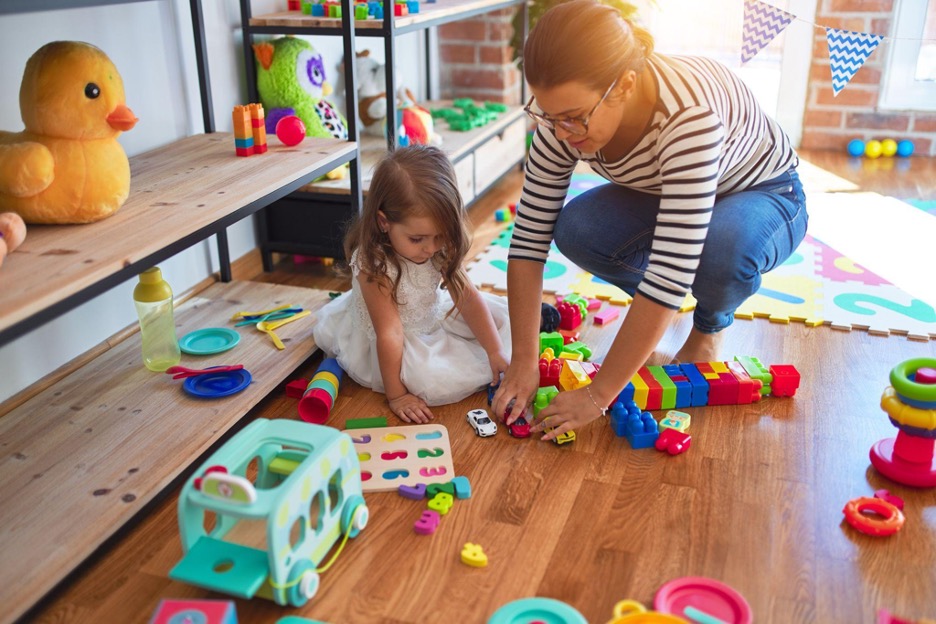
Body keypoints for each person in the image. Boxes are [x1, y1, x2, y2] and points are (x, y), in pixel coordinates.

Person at [492, 0, 807, 441]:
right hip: (666, 190)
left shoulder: (688, 118)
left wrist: (598, 395)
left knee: (720, 249)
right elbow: (528, 241)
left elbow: (669, 269)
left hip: (762, 191)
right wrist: (523, 360)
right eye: (548, 114)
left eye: (574, 118)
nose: (561, 132)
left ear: (624, 85)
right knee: (577, 229)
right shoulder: (560, 122)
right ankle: (661, 312)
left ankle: (710, 324)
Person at [314, 145, 511, 423]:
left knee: (506, 322)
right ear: (383, 222)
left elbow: (466, 296)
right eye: (417, 239)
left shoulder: (435, 244)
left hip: (429, 316)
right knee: (429, 376)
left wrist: (494, 351)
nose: (430, 248)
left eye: (439, 236)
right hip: (391, 338)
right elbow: (391, 333)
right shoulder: (373, 263)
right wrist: (396, 395)